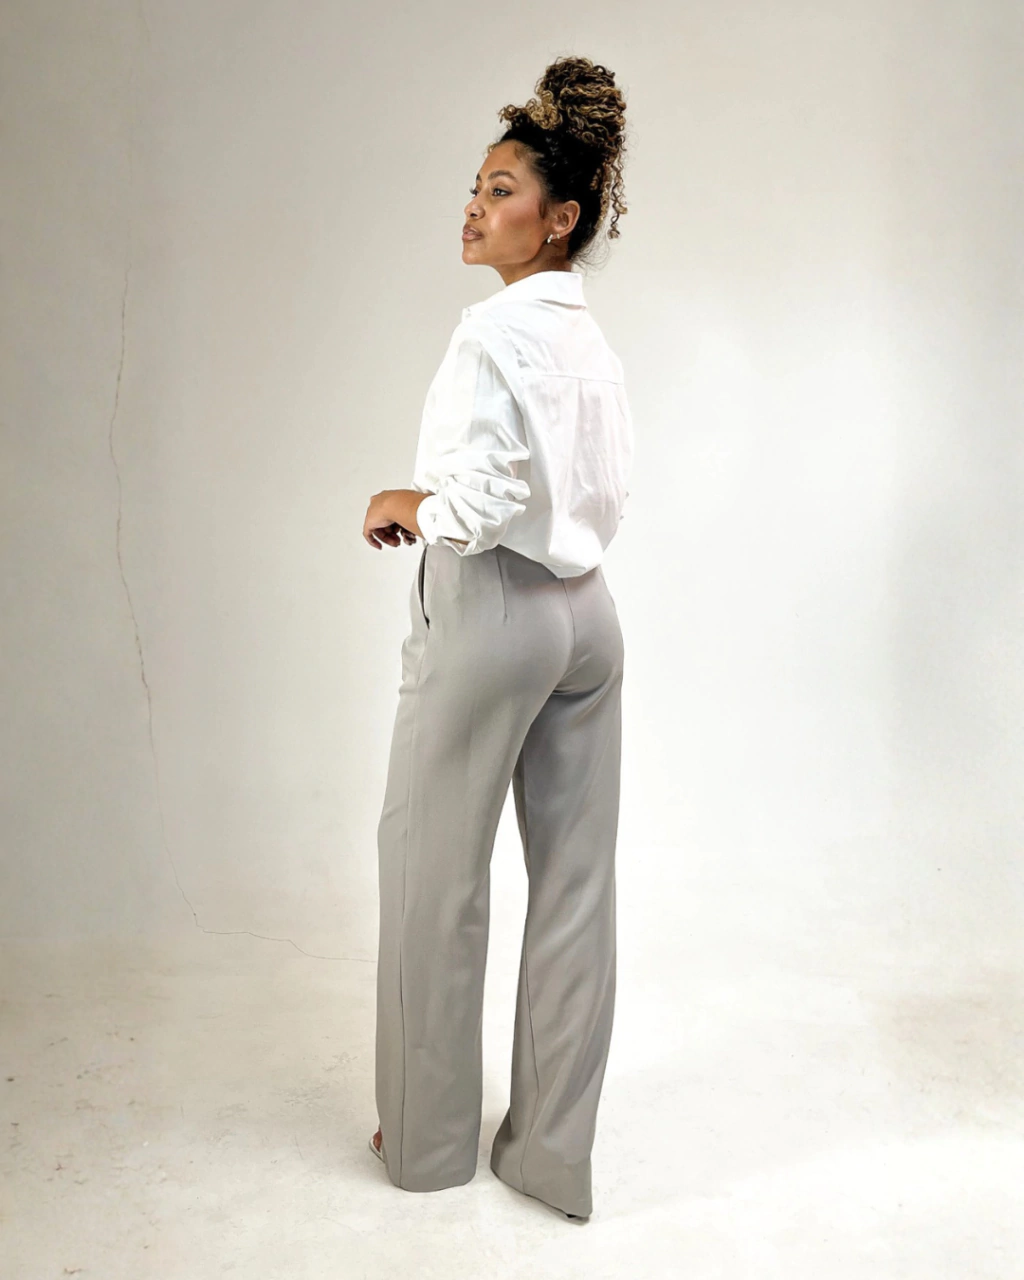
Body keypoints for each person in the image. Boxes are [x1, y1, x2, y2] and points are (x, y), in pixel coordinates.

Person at [362, 55, 633, 1222]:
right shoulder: (590, 343)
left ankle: (427, 1143)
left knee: (434, 871)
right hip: (589, 617)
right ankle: (549, 1156)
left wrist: (403, 503)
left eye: (502, 189)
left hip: (493, 612)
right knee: (575, 886)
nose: (474, 206)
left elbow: (472, 506)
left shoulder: (490, 334)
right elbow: (607, 490)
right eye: (476, 186)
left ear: (558, 219)